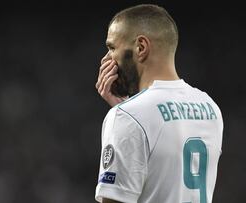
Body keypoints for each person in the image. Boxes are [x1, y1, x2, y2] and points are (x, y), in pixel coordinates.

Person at [94, 4, 223, 203]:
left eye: (112, 48)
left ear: (140, 47)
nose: (106, 59)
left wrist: (125, 113)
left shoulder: (126, 117)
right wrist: (128, 108)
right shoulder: (210, 108)